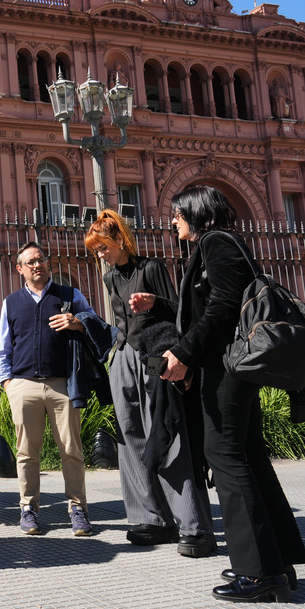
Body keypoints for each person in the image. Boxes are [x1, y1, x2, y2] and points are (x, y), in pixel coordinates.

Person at [158, 185, 305, 602]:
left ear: (195, 213)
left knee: (226, 457)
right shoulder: (221, 243)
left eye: (177, 212)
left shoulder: (214, 242)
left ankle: (258, 573)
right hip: (229, 367)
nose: (173, 220)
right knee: (250, 458)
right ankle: (276, 562)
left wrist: (184, 352)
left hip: (228, 369)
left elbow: (223, 306)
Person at [84, 211, 214, 557]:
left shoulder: (151, 268)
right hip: (125, 357)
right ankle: (152, 520)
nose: (100, 254)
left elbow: (181, 312)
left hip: (156, 356)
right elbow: (121, 323)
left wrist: (154, 302)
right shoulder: (111, 277)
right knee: (130, 438)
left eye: (103, 247)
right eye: (96, 249)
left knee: (167, 435)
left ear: (120, 240)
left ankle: (194, 527)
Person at [0, 241, 94, 537]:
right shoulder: (11, 302)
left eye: (41, 259)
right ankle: (28, 509)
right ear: (20, 269)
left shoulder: (70, 296)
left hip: (62, 384)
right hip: (23, 384)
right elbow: (3, 347)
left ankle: (78, 509)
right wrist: (8, 383)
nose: (37, 265)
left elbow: (95, 326)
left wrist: (77, 322)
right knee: (26, 453)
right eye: (31, 262)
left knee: (72, 450)